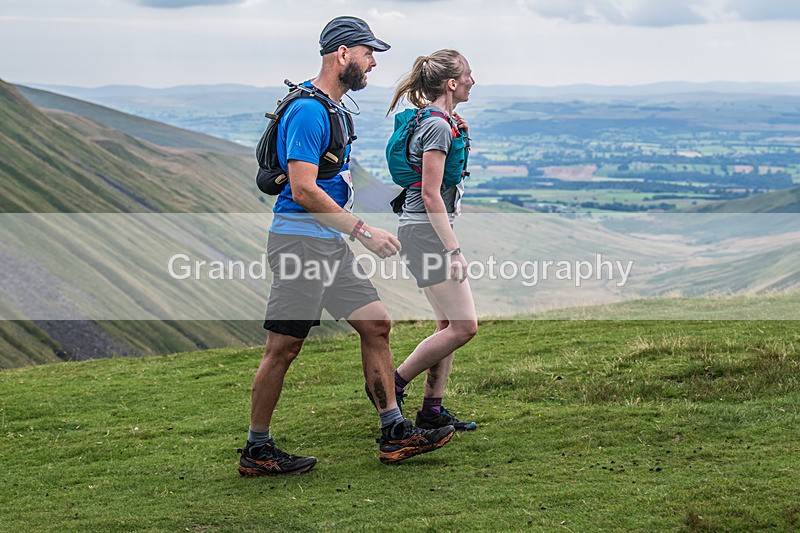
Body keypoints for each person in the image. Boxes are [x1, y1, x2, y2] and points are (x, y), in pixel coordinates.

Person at [238, 17, 455, 477]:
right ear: (342, 54)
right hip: (300, 243)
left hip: (326, 244)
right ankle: (257, 449)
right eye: (367, 53)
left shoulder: (334, 108)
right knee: (283, 348)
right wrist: (364, 231)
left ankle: (393, 431)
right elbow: (302, 189)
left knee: (376, 324)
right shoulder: (310, 111)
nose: (373, 63)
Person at [380, 49, 479, 431]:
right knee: (464, 327)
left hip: (418, 229)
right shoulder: (437, 125)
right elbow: (432, 193)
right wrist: (453, 249)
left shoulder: (438, 120)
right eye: (468, 74)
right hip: (426, 232)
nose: (473, 80)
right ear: (452, 83)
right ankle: (393, 385)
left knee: (447, 326)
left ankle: (432, 412)